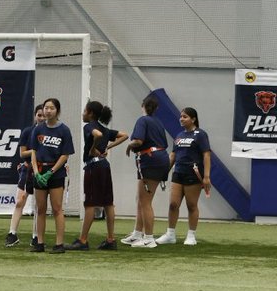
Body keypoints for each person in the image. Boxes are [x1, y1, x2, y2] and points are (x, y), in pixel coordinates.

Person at [70, 101, 127, 251]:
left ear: (90, 113)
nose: (83, 114)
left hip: (93, 167)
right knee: (108, 203)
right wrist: (108, 146)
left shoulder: (89, 126)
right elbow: (124, 135)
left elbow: (98, 135)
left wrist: (93, 148)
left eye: (84, 111)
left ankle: (82, 240)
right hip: (104, 166)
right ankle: (110, 239)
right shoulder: (105, 129)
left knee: (90, 203)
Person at [122, 94, 169, 249]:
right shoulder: (158, 122)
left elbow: (138, 141)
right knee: (140, 199)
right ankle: (137, 233)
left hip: (150, 159)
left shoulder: (142, 120)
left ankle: (149, 238)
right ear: (156, 109)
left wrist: (130, 145)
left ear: (143, 106)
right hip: (160, 158)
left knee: (145, 201)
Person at [158, 107, 211, 246]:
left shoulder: (200, 134)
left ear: (193, 119)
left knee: (191, 205)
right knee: (173, 204)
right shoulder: (179, 135)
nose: (181, 119)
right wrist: (164, 172)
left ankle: (191, 236)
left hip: (193, 174)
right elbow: (173, 155)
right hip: (178, 173)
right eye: (181, 116)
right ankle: (170, 234)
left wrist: (206, 176)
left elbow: (206, 155)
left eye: (185, 116)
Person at [28, 97, 75, 253]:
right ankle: (39, 243)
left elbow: (65, 155)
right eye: (46, 108)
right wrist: (36, 172)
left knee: (57, 209)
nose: (48, 111)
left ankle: (59, 244)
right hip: (40, 173)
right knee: (40, 209)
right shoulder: (38, 129)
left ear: (58, 111)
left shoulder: (64, 130)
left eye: (51, 108)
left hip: (56, 174)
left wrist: (51, 172)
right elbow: (33, 152)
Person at [5, 104, 44, 247]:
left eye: (44, 115)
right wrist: (36, 151)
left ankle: (35, 237)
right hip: (27, 170)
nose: (41, 118)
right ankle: (12, 234)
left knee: (39, 207)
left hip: (42, 171)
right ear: (35, 116)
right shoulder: (28, 131)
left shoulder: (50, 134)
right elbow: (22, 153)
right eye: (39, 115)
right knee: (20, 201)